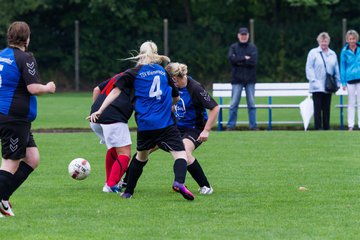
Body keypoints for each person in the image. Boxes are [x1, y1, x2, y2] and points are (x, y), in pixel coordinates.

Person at [90, 41, 194, 201]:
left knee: (141, 157)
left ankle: (128, 192)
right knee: (180, 154)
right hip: (165, 123)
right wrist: (168, 106)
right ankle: (179, 182)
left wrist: (100, 110)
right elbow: (176, 97)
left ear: (140, 53)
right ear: (156, 53)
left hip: (145, 124)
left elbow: (115, 91)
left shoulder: (133, 72)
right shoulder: (162, 71)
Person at [0, 21, 56, 217]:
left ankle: (3, 198)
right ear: (27, 38)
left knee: (32, 159)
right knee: (10, 161)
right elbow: (33, 88)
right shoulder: (26, 57)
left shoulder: (1, 55)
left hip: (9, 117)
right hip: (14, 117)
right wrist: (48, 87)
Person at [165, 62, 219, 194]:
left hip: (195, 129)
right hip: (176, 128)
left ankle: (205, 186)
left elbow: (215, 108)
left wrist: (206, 130)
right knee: (146, 148)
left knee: (184, 152)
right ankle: (125, 182)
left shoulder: (195, 88)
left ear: (175, 78)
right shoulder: (173, 87)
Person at [89, 73, 133, 193]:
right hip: (113, 118)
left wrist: (95, 110)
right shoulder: (137, 77)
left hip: (95, 118)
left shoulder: (120, 75)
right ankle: (110, 185)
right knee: (125, 153)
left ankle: (108, 182)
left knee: (114, 148)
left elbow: (96, 89)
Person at [305, 32, 340, 130]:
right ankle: (318, 128)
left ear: (328, 41)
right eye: (322, 41)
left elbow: (336, 69)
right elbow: (309, 68)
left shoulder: (332, 54)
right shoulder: (313, 53)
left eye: (325, 41)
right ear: (318, 41)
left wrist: (338, 82)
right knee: (318, 108)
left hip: (328, 85)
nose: (324, 43)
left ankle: (326, 127)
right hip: (317, 86)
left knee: (326, 108)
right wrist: (313, 81)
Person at [227, 27, 258, 130]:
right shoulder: (233, 47)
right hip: (237, 80)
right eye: (242, 34)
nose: (243, 36)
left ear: (248, 35)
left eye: (245, 35)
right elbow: (231, 60)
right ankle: (231, 126)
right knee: (233, 104)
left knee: (252, 104)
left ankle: (253, 126)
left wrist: (239, 60)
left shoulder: (253, 47)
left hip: (250, 80)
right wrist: (245, 58)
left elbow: (253, 62)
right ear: (238, 35)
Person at [340, 30, 360, 131]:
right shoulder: (344, 51)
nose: (352, 40)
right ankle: (350, 126)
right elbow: (342, 68)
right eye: (350, 39)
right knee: (351, 103)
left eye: (354, 38)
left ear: (356, 39)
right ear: (347, 40)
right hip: (350, 80)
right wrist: (343, 82)